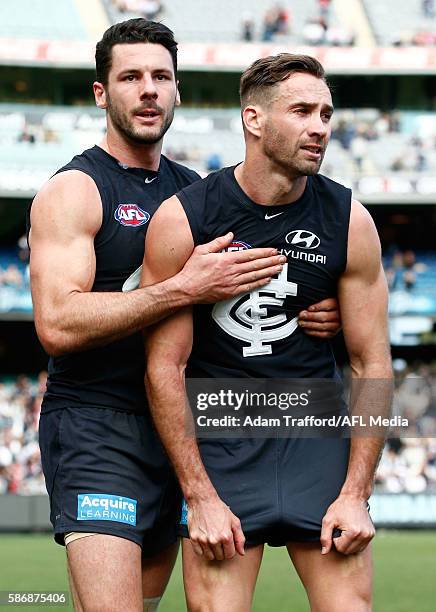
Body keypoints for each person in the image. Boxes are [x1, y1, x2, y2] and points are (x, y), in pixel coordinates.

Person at [28, 21, 339, 612]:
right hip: (99, 424)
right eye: (130, 77)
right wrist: (178, 290)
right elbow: (57, 324)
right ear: (101, 94)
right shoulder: (75, 189)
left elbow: (244, 298)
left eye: (161, 77)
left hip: (182, 430)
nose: (148, 90)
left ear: (178, 92)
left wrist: (325, 313)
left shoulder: (196, 193)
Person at [143, 53, 392, 611]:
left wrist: (357, 494)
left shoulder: (349, 220)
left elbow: (371, 364)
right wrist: (198, 495)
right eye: (302, 111)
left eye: (326, 113)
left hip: (315, 430)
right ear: (253, 120)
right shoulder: (185, 219)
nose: (319, 126)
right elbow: (165, 366)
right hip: (222, 435)